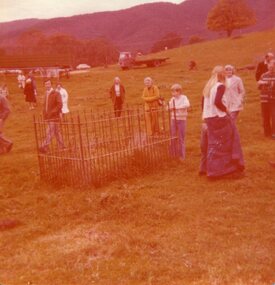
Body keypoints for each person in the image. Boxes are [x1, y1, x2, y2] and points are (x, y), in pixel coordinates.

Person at [199, 66, 244, 178]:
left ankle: (207, 168)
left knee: (213, 143)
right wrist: (226, 110)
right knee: (229, 140)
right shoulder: (220, 86)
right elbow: (217, 102)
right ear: (222, 75)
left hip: (209, 118)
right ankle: (227, 167)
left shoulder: (208, 86)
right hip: (219, 117)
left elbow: (203, 103)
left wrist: (205, 117)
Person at [39, 79, 64, 154]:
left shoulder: (56, 93)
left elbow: (60, 104)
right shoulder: (46, 94)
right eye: (46, 84)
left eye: (48, 84)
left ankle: (44, 146)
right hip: (48, 116)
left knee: (49, 131)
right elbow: (45, 105)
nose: (47, 85)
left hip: (54, 116)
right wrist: (44, 113)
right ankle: (62, 145)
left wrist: (53, 112)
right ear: (44, 85)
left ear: (51, 84)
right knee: (56, 132)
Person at [168, 83, 190, 160]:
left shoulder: (184, 98)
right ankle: (173, 154)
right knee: (173, 136)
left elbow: (187, 105)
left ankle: (181, 156)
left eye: (174, 92)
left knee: (181, 137)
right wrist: (169, 108)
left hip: (182, 119)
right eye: (172, 92)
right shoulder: (172, 99)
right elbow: (168, 107)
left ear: (179, 91)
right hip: (173, 119)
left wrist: (176, 108)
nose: (173, 93)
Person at [258, 59, 275, 139]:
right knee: (265, 116)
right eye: (270, 67)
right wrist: (260, 83)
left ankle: (274, 133)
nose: (271, 68)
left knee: (274, 116)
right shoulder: (264, 75)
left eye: (273, 67)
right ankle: (267, 133)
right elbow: (259, 87)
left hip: (273, 99)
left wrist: (268, 83)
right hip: (264, 99)